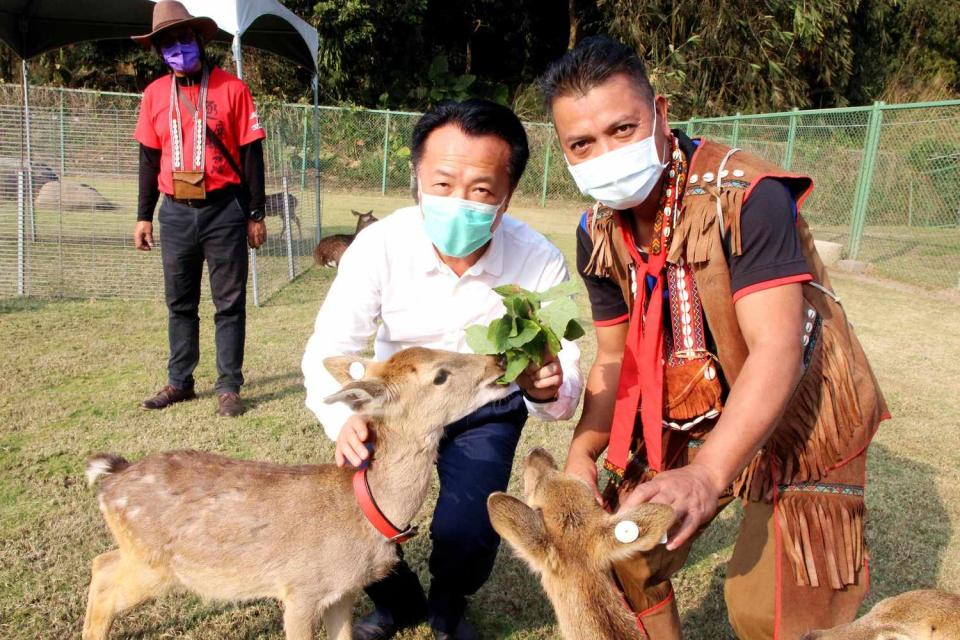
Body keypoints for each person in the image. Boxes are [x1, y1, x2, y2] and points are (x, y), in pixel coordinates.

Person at [539, 37, 888, 639]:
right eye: (582, 144)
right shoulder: (595, 227)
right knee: (625, 550)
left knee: (773, 611)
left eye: (623, 128)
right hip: (685, 405)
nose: (605, 153)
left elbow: (777, 349)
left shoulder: (747, 193)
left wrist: (705, 477)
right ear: (564, 150)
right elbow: (616, 358)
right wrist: (580, 457)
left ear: (662, 114)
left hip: (803, 406)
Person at [302, 99, 583, 640]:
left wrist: (548, 388)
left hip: (485, 403)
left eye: (481, 190)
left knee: (469, 529)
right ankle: (396, 600)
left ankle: (449, 604)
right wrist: (344, 423)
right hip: (402, 404)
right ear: (416, 177)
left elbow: (563, 376)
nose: (460, 202)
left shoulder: (539, 259)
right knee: (362, 509)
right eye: (443, 183)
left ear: (507, 196)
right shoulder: (379, 246)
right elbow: (329, 346)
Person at [131, 1, 267, 418]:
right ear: (158, 51)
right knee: (180, 303)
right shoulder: (154, 95)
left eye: (182, 38)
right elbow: (148, 159)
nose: (176, 47)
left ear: (199, 40)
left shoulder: (233, 89)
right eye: (166, 42)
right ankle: (180, 382)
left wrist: (256, 214)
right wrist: (143, 215)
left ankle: (228, 386)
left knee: (229, 303)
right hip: (174, 213)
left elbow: (251, 156)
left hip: (223, 210)